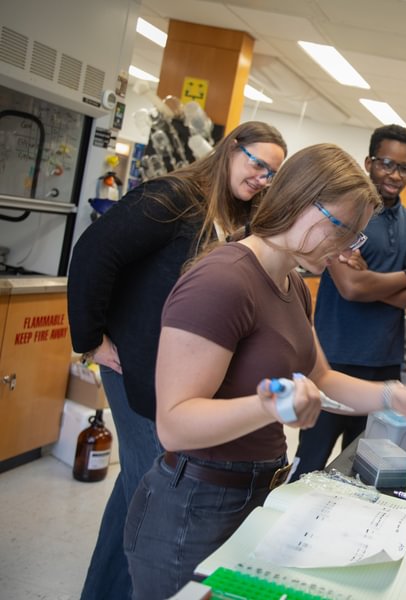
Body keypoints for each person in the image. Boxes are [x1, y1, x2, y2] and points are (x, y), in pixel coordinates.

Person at [121, 143, 406, 599]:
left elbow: (324, 378)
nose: (346, 250)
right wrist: (267, 406)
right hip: (194, 508)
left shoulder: (292, 282)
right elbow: (174, 425)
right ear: (301, 203)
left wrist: (396, 396)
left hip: (254, 495)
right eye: (342, 229)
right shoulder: (223, 281)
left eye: (355, 236)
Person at [67, 121, 287, 600]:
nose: (262, 179)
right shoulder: (174, 197)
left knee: (136, 488)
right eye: (257, 164)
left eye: (273, 174)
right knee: (156, 494)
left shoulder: (232, 215)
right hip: (135, 373)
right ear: (232, 149)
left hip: (165, 375)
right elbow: (92, 253)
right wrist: (89, 341)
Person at [290, 124, 406, 479]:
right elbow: (351, 288)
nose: (395, 175)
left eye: (404, 168)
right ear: (369, 162)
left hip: (384, 364)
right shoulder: (347, 215)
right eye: (387, 164)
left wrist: (373, 280)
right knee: (310, 465)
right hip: (334, 362)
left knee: (362, 470)